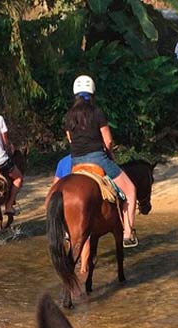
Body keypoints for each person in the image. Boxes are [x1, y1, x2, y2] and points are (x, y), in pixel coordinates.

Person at [64, 75, 139, 248]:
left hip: (76, 161)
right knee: (130, 190)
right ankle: (128, 233)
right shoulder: (96, 112)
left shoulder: (69, 115)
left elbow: (70, 140)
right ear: (92, 93)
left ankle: (68, 232)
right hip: (97, 158)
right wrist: (110, 154)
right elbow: (108, 141)